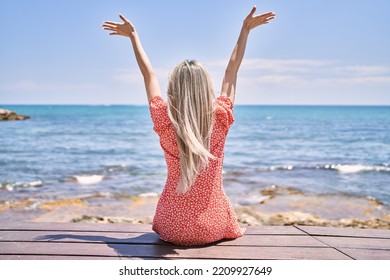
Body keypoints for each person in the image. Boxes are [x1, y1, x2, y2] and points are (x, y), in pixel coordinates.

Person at [102, 6, 275, 246]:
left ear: (173, 88)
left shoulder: (163, 116)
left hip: (171, 228)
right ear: (206, 87)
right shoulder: (220, 115)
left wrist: (133, 36)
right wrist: (245, 30)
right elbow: (231, 72)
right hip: (211, 227)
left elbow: (148, 75)